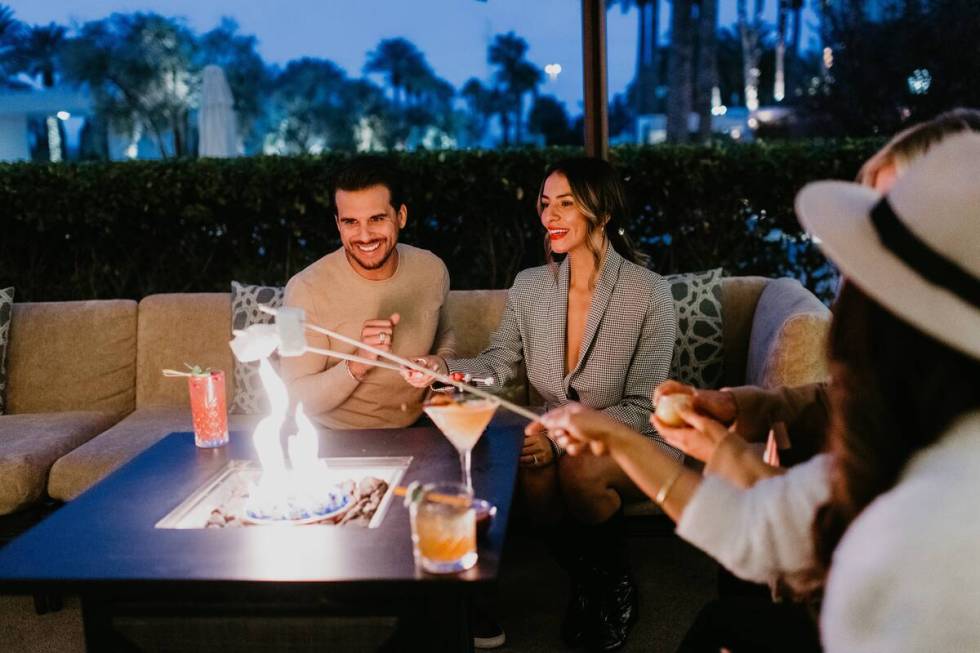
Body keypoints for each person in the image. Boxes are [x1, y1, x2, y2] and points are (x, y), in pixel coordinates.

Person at [532, 132, 980, 652]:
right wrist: (658, 438)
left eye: (869, 255)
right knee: (720, 622)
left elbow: (777, 535)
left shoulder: (943, 512)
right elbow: (757, 524)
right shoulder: (900, 422)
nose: (844, 282)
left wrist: (626, 435)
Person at [404, 157, 677, 651]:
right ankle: (588, 578)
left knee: (580, 469)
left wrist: (557, 434)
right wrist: (443, 369)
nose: (549, 216)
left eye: (565, 204)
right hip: (549, 436)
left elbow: (643, 405)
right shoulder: (531, 285)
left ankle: (612, 588)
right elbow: (500, 362)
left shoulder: (649, 293)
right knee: (534, 462)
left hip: (637, 435)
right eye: (545, 204)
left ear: (604, 212)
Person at [657, 107, 980, 477]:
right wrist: (733, 406)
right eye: (873, 217)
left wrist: (730, 459)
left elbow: (840, 517)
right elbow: (844, 401)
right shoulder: (912, 345)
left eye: (894, 223)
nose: (870, 242)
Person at [281, 157, 456, 430]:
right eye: (351, 222)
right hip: (332, 441)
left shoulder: (433, 269)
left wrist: (440, 368)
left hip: (418, 431)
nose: (364, 236)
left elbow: (445, 335)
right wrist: (357, 364)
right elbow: (291, 399)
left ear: (401, 216)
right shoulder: (300, 289)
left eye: (376, 219)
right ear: (338, 224)